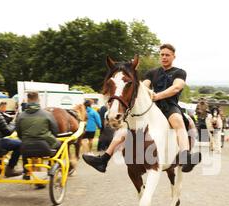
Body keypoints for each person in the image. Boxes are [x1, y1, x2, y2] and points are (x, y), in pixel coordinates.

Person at [83, 43, 201, 173]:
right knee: (125, 129)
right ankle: (104, 159)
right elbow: (143, 86)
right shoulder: (152, 73)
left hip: (170, 106)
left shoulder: (179, 72)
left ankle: (185, 158)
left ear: (174, 56)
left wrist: (157, 96)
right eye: (162, 54)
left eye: (167, 55)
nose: (164, 57)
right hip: (152, 107)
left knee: (179, 121)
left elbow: (177, 87)